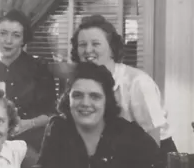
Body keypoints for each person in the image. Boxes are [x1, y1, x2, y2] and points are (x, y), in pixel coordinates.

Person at [35, 62, 163, 168]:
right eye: (77, 95)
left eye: (95, 96)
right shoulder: (59, 127)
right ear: (68, 98)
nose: (85, 103)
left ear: (106, 101)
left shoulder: (129, 134)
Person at [71, 14, 176, 153]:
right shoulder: (81, 84)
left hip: (154, 155)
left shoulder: (138, 82)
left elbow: (153, 139)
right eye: (82, 45)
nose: (88, 50)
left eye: (95, 44)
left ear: (112, 49)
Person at [0, 10, 57, 166]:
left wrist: (28, 124)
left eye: (16, 35)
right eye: (3, 33)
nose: (8, 41)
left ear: (23, 40)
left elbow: (51, 114)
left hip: (30, 137)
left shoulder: (38, 66)